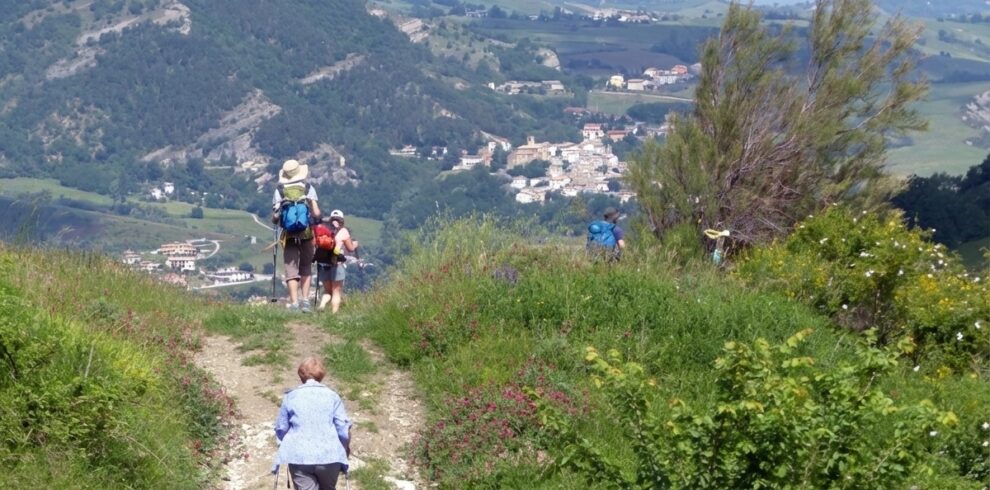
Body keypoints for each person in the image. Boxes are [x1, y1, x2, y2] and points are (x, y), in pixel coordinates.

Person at [274, 357, 351, 490]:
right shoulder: (332, 396)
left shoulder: (290, 397)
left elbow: (281, 428)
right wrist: (345, 447)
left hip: (299, 456)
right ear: (321, 376)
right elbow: (343, 429)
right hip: (330, 455)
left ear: (300, 375)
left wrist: (285, 443)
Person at [272, 159, 321, 312]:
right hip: (306, 234)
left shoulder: (280, 191)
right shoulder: (307, 188)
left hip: (288, 235)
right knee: (306, 267)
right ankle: (305, 301)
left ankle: (294, 303)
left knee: (291, 269)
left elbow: (274, 218)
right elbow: (316, 213)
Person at [316, 210, 359, 313]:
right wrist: (356, 244)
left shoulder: (324, 230)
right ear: (342, 221)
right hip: (337, 265)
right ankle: (334, 314)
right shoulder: (343, 231)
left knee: (327, 291)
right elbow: (350, 248)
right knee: (336, 292)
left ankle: (322, 304)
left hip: (323, 264)